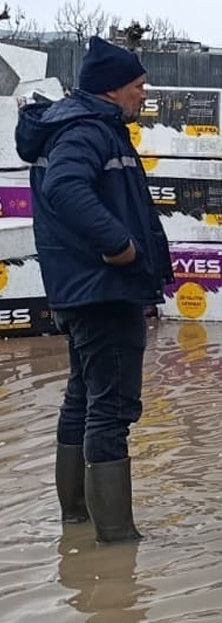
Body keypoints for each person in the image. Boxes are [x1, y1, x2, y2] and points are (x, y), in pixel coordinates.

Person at [14, 36, 173, 544]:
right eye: (138, 86)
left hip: (81, 290)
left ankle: (77, 523)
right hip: (102, 290)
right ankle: (117, 541)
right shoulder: (86, 131)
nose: (143, 95)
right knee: (112, 409)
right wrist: (120, 247)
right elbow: (64, 188)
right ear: (112, 89)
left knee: (83, 399)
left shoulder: (87, 126)